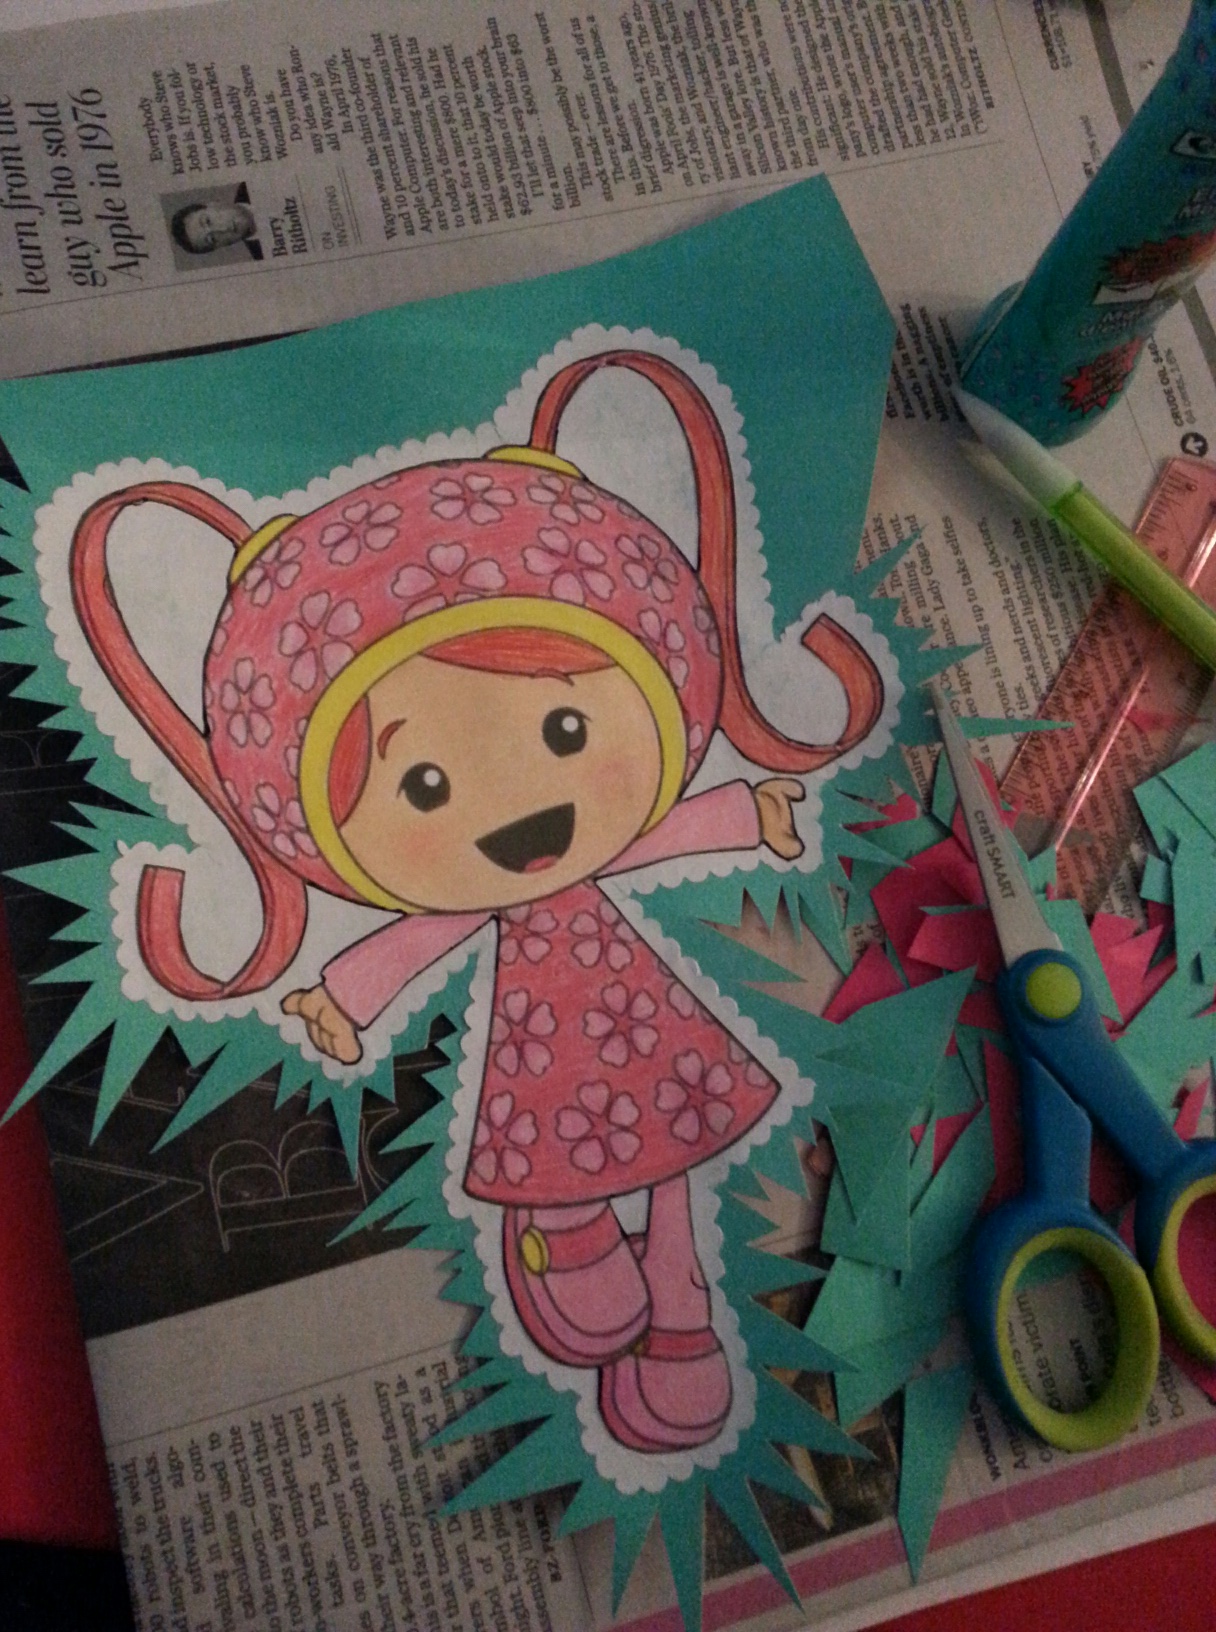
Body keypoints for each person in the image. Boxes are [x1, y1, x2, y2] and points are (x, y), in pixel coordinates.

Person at [69, 350, 885, 1453]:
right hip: (544, 1034)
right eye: (421, 786)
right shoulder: (448, 893)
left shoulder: (626, 815)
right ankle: (566, 1227)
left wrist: (749, 811)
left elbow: (655, 835)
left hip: (644, 1010)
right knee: (559, 1138)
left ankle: (683, 1302)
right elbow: (425, 929)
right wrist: (344, 996)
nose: (519, 807)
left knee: (682, 1142)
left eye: (566, 727)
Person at [169, 183, 262, 259]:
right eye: (212, 239)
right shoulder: (260, 256)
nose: (223, 229)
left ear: (213, 204)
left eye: (208, 221)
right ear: (220, 247)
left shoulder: (251, 184)